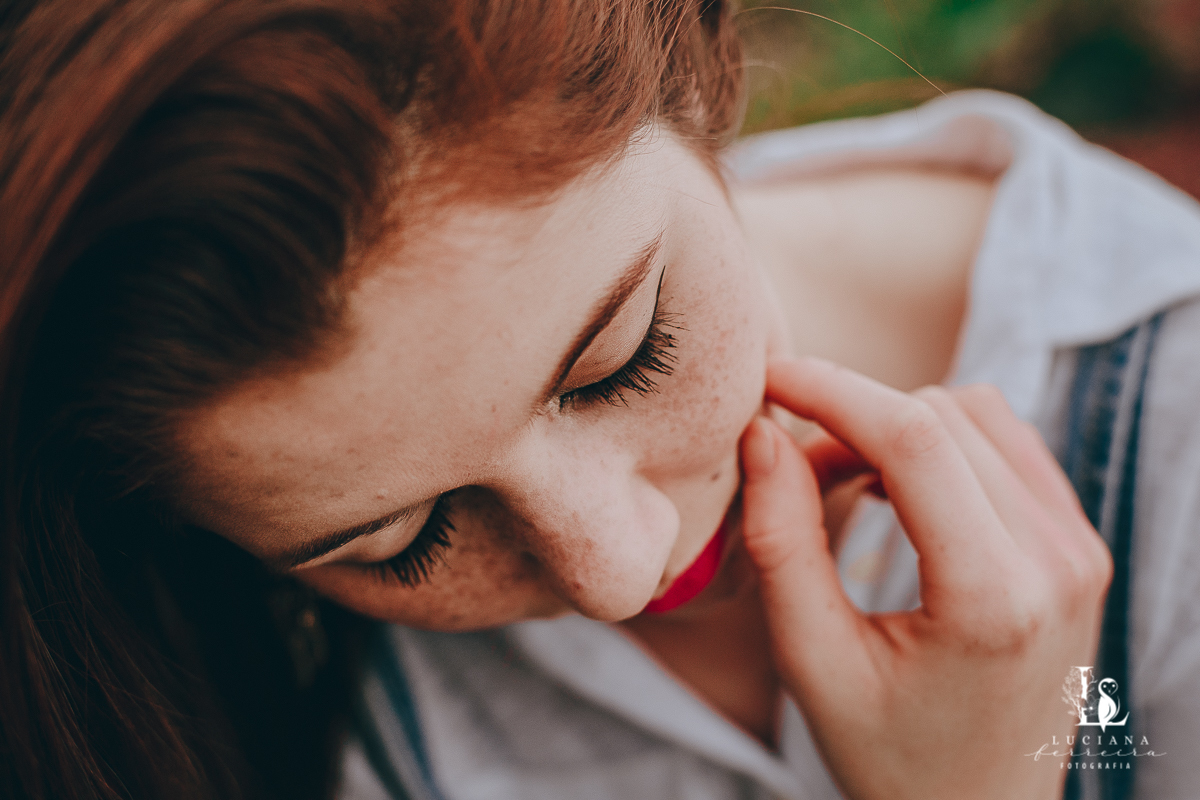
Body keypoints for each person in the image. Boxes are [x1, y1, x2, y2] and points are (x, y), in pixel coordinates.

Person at [1, 2, 1197, 800]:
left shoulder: (1171, 405)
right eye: (397, 539)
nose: (619, 571)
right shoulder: (193, 672)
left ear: (696, 57)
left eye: (623, 357)